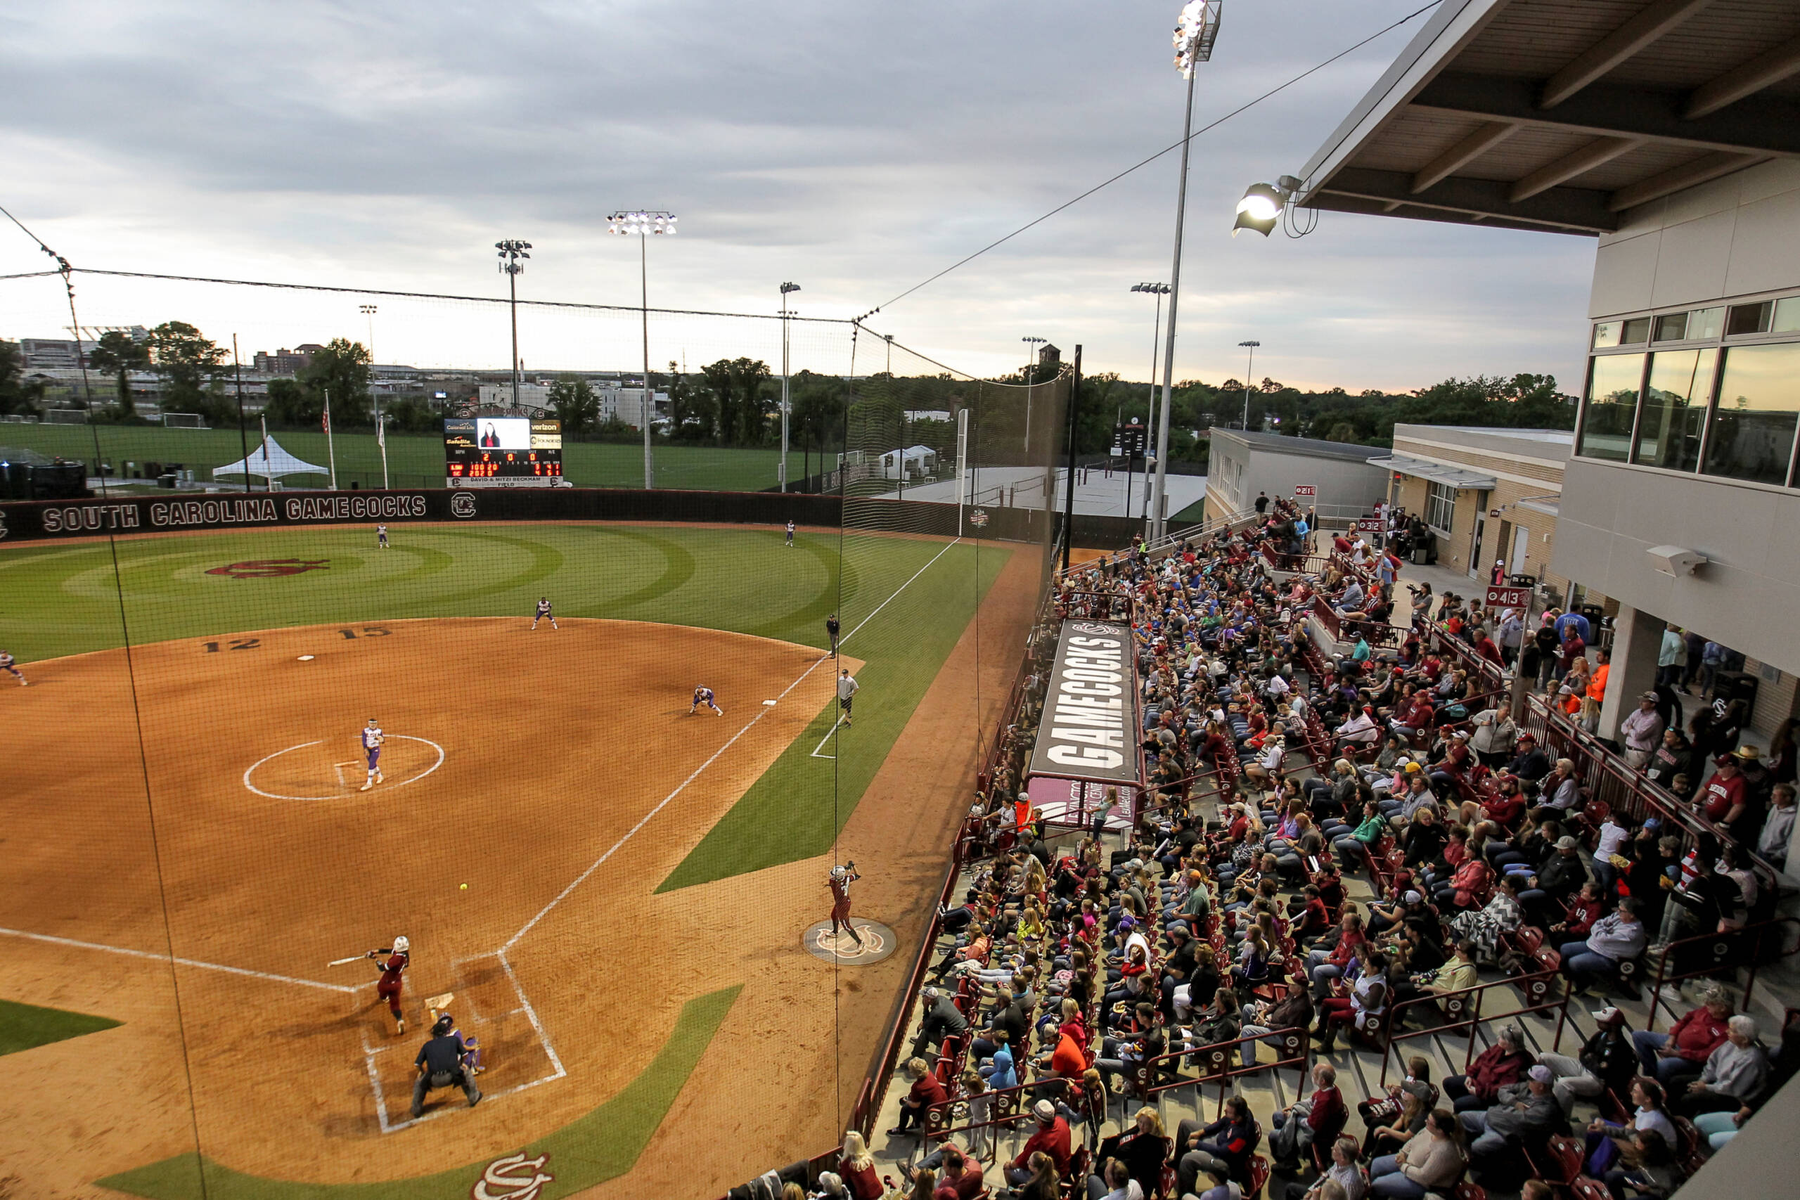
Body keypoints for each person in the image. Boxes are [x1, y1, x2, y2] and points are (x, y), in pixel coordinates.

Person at [1536, 1006, 1637, 1112]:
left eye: (1601, 1021)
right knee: (1544, 1058)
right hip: (1583, 1067)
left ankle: (1559, 1119)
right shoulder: (1600, 1035)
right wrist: (1593, 1061)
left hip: (1597, 1081)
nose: (1597, 1021)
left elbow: (1602, 1072)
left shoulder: (1620, 1048)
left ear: (1612, 1026)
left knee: (1563, 1083)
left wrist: (1591, 1059)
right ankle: (1538, 1096)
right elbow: (1584, 1053)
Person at [1632, 987, 1731, 1086]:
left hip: (1691, 1059)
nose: (1707, 1005)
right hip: (1675, 1042)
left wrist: (1678, 1053)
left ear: (1722, 1007)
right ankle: (1649, 1076)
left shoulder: (1726, 1030)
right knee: (1639, 1036)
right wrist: (1672, 1037)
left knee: (1664, 1066)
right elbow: (1684, 1020)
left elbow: (1706, 1055)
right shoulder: (1705, 1010)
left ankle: (1656, 1088)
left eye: (1711, 1004)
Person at [1460, 1064, 1563, 1158]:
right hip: (1492, 1116)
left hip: (1506, 1133)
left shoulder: (1546, 1110)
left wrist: (1498, 1111)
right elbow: (1503, 1089)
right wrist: (1514, 1103)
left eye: (1531, 1080)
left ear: (1541, 1086)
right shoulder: (1527, 1087)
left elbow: (1516, 1121)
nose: (1528, 1082)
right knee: (1461, 1118)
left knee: (1476, 1147)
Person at [1676, 1014, 1769, 1118]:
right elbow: (1713, 1062)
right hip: (1716, 1083)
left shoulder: (1751, 1060)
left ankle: (1680, 1124)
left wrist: (1706, 1087)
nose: (1727, 1031)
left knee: (1688, 1099)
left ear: (1744, 1039)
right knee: (1677, 1082)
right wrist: (1704, 1080)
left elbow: (1732, 1088)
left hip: (1731, 1097)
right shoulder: (1730, 1044)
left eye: (1732, 1031)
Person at [1368, 1109, 1466, 1198]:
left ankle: (1376, 1194)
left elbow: (1424, 1177)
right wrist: (1403, 1153)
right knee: (1376, 1164)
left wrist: (1403, 1166)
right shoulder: (1429, 1130)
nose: (1425, 1122)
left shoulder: (1443, 1151)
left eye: (1429, 1122)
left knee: (1378, 1184)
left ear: (1439, 1130)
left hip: (1422, 1183)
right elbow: (1412, 1141)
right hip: (1408, 1162)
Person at [1175, 1095, 1259, 1196]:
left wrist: (1199, 1144)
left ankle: (1185, 1194)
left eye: (1228, 1112)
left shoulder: (1241, 1137)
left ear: (1238, 1117)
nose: (1225, 1112)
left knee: (1187, 1160)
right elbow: (1222, 1122)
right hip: (1220, 1138)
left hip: (1224, 1159)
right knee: (1185, 1125)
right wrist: (1202, 1132)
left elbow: (1222, 1152)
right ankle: (1176, 1165)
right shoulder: (1242, 1112)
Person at [1560, 897, 1647, 994]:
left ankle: (1584, 983)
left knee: (1574, 962)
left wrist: (1600, 929)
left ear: (1632, 915)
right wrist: (1601, 929)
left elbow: (1600, 936)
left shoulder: (1631, 932)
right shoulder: (1619, 916)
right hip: (1596, 945)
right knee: (1565, 948)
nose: (1618, 912)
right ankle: (1571, 975)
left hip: (1609, 957)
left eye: (1621, 910)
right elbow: (1599, 923)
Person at [1269, 1062, 1345, 1164]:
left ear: (1322, 1081)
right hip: (1313, 1119)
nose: (1312, 1076)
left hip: (1316, 1132)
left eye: (1315, 1075)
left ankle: (1287, 1161)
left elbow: (1311, 1125)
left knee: (1273, 1136)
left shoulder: (1326, 1101)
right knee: (1277, 1116)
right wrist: (1293, 1107)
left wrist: (1293, 1118)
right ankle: (1287, 1143)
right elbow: (1312, 1099)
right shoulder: (1329, 1088)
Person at [410, 1012, 482, 1117]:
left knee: (419, 1083)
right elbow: (465, 1055)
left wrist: (421, 1072)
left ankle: (416, 1109)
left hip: (433, 1080)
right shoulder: (454, 1040)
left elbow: (417, 1064)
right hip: (452, 1077)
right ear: (445, 1032)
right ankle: (473, 1097)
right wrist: (461, 1064)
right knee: (465, 1072)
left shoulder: (427, 1045)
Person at [1006, 1100, 1073, 1187]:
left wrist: (1009, 1164)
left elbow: (1020, 1164)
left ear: (1040, 1121)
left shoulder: (1038, 1141)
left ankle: (1015, 1193)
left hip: (1051, 1177)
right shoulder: (1062, 1122)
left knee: (1007, 1169)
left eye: (1034, 1116)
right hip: (1065, 1168)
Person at [890, 1056, 948, 1135]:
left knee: (905, 1108)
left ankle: (901, 1130)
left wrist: (907, 1101)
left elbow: (915, 1105)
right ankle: (916, 1124)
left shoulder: (918, 1087)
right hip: (942, 1104)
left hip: (935, 1113)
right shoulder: (929, 1074)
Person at [365, 934, 409, 1034]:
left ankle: (384, 998)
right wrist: (374, 951)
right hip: (397, 984)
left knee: (381, 991)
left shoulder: (395, 959)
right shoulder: (405, 955)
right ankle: (399, 1020)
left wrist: (375, 958)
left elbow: (382, 968)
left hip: (386, 984)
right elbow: (389, 951)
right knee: (395, 1005)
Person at [1620, 693, 1665, 770]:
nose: (1640, 702)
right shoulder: (1637, 712)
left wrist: (1630, 729)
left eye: (1644, 701)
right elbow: (1623, 726)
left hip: (1640, 753)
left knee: (1632, 779)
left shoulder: (1654, 719)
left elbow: (1638, 736)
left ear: (1653, 704)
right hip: (1628, 749)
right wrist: (1631, 731)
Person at [828, 863, 864, 948]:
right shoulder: (846, 878)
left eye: (834, 875)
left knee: (846, 926)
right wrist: (853, 866)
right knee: (833, 915)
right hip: (844, 901)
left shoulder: (833, 883)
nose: (832, 876)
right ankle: (835, 932)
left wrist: (845, 868)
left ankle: (860, 942)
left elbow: (837, 879)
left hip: (842, 906)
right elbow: (858, 875)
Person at [359, 716, 385, 792]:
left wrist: (382, 740)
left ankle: (369, 783)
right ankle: (380, 776)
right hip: (368, 750)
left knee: (371, 764)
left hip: (375, 749)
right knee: (373, 764)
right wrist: (365, 749)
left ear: (376, 724)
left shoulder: (379, 731)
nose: (372, 725)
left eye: (374, 724)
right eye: (371, 724)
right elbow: (363, 740)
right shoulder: (365, 731)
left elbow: (382, 740)